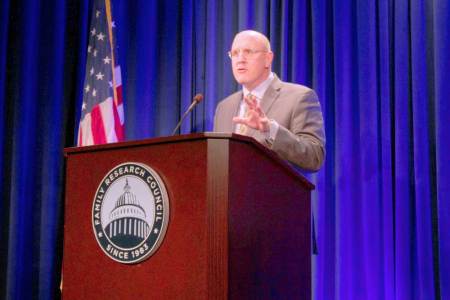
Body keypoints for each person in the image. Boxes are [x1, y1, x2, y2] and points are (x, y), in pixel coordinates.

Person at [214, 30, 325, 172]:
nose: (240, 59)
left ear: (268, 58)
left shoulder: (300, 97)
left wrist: (271, 130)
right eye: (235, 53)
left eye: (248, 52)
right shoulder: (224, 107)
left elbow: (314, 157)